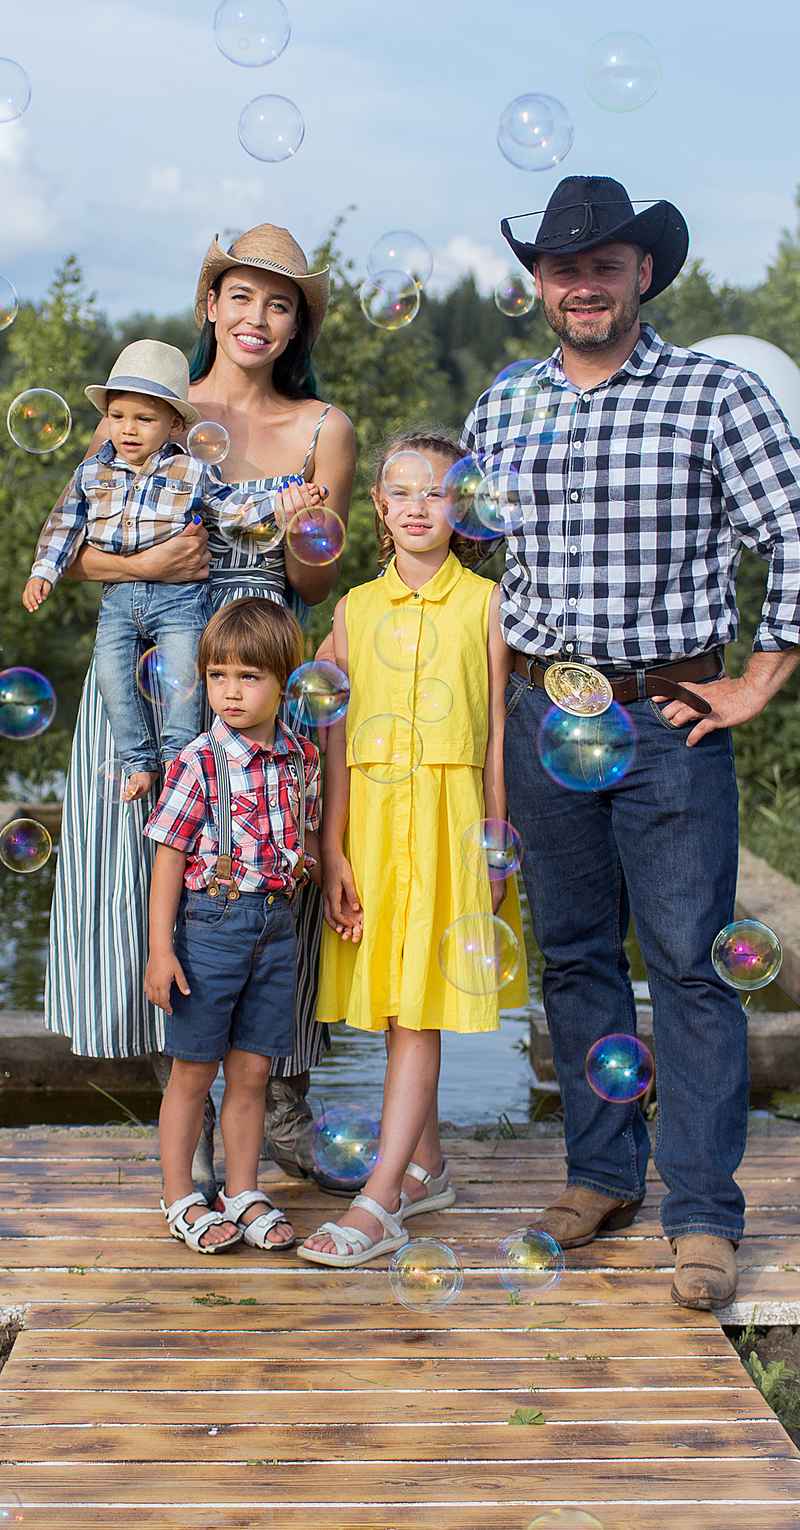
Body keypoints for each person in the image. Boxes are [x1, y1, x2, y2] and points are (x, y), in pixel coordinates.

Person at [461, 175, 800, 1310]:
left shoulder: (712, 395)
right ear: (539, 283)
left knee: (685, 965)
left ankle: (703, 1215)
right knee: (574, 960)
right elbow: (485, 571)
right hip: (544, 716)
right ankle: (599, 1177)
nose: (583, 283)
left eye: (606, 263)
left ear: (643, 274)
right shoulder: (501, 408)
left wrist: (757, 680)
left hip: (666, 721)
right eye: (563, 266)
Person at [43, 225, 358, 1190]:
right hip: (153, 666)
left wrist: (307, 521)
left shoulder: (323, 427)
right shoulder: (151, 411)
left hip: (260, 665)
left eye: (280, 303)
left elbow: (318, 577)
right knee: (150, 861)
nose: (258, 317)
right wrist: (149, 563)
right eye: (242, 296)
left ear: (296, 321)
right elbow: (74, 549)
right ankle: (183, 1093)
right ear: (208, 304)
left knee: (271, 873)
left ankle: (276, 1105)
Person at [297, 430, 519, 1267]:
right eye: (401, 489)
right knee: (397, 997)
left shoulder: (489, 604)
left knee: (419, 1005)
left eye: (437, 489)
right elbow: (336, 734)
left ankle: (380, 1198)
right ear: (380, 510)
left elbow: (498, 727)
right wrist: (333, 846)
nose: (420, 503)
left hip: (452, 820)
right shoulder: (352, 609)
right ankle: (426, 1164)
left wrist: (497, 840)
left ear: (458, 508)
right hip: (373, 823)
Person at [22, 339, 323, 803]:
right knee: (112, 674)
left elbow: (232, 509)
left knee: (185, 678)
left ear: (174, 424)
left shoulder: (190, 470)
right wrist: (45, 571)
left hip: (182, 601)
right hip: (120, 601)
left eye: (144, 419)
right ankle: (137, 762)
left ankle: (180, 762)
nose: (128, 429)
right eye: (117, 417)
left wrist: (281, 505)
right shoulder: (92, 473)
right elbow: (65, 527)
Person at [141, 596, 320, 1254]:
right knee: (192, 1069)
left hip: (275, 929)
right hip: (211, 928)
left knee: (252, 1071)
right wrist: (162, 949)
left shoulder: (300, 757)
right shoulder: (199, 761)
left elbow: (309, 836)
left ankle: (242, 1190)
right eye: (219, 675)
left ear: (283, 682)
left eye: (249, 677)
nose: (232, 691)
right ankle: (180, 1192)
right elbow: (167, 853)